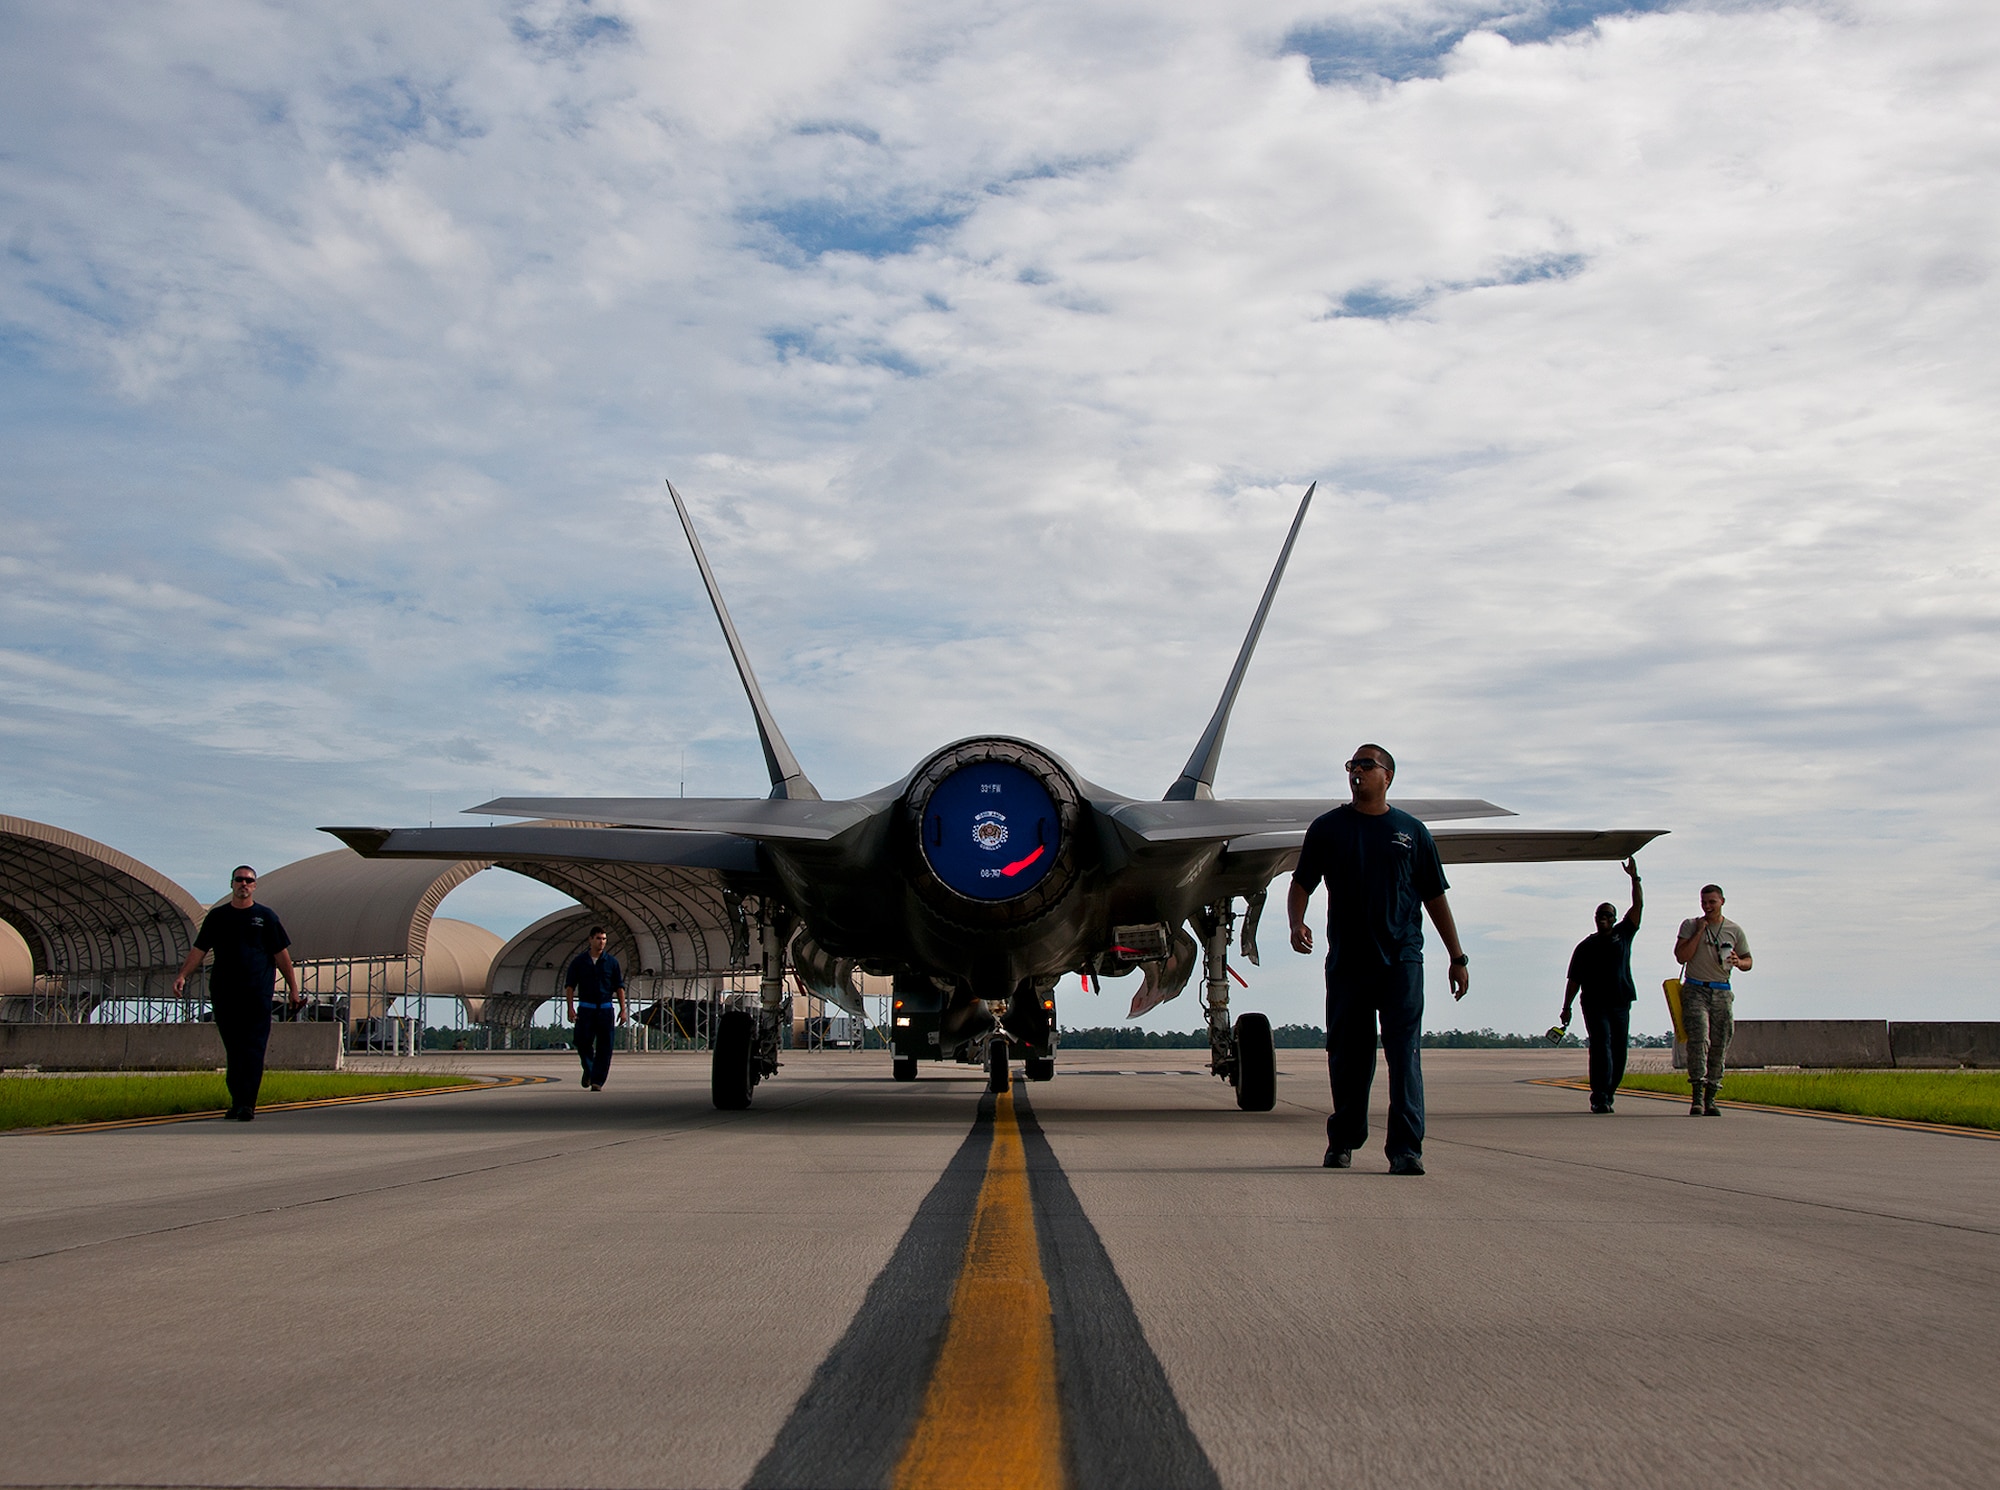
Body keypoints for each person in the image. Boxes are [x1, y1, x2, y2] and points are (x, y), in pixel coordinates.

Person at [1288, 743, 1470, 1176]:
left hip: (1401, 962)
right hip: (1349, 963)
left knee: (1404, 1052)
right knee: (1349, 1055)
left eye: (1366, 765)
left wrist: (1457, 956)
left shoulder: (1412, 832)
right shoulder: (1328, 828)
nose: (1356, 772)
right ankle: (1344, 1139)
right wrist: (1296, 922)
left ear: (1387, 776)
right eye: (1352, 765)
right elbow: (1301, 883)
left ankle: (1406, 1149)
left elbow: (1434, 897)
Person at [172, 866, 299, 1121]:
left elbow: (281, 955)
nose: (244, 884)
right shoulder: (218, 917)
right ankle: (238, 1100)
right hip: (225, 992)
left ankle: (246, 1104)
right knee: (234, 1049)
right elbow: (200, 949)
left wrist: (294, 989)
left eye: (249, 881)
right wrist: (183, 975)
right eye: (240, 880)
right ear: (231, 883)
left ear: (254, 885)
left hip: (257, 993)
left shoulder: (265, 917)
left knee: (253, 1047)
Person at [1560, 859, 1643, 1113]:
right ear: (1595, 919)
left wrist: (1634, 879)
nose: (1603, 919)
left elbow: (1638, 906)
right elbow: (1573, 980)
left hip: (1620, 1002)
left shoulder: (1623, 935)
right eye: (1600, 915)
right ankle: (1598, 1096)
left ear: (1614, 918)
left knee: (1619, 1050)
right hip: (1595, 1004)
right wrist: (1566, 1008)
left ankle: (1609, 1093)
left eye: (1608, 915)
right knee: (1601, 1046)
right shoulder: (1585, 947)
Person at [1673, 884, 1752, 1116]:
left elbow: (1749, 961)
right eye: (1704, 902)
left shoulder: (1734, 930)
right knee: (1699, 1040)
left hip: (1722, 991)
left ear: (1722, 902)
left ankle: (1712, 1097)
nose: (1707, 906)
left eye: (1712, 902)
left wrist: (1739, 961)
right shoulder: (1690, 925)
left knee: (1720, 1042)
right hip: (1696, 988)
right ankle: (1696, 1097)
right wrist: (1699, 931)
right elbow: (1681, 957)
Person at [565, 926, 629, 1092]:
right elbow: (570, 986)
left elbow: (619, 987)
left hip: (605, 1010)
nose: (602, 942)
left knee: (605, 1047)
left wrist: (623, 1009)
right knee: (581, 1042)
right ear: (590, 940)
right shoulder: (579, 962)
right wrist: (570, 1008)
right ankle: (589, 1069)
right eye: (599, 938)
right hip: (586, 1009)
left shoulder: (612, 963)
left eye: (604, 939)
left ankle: (597, 1081)